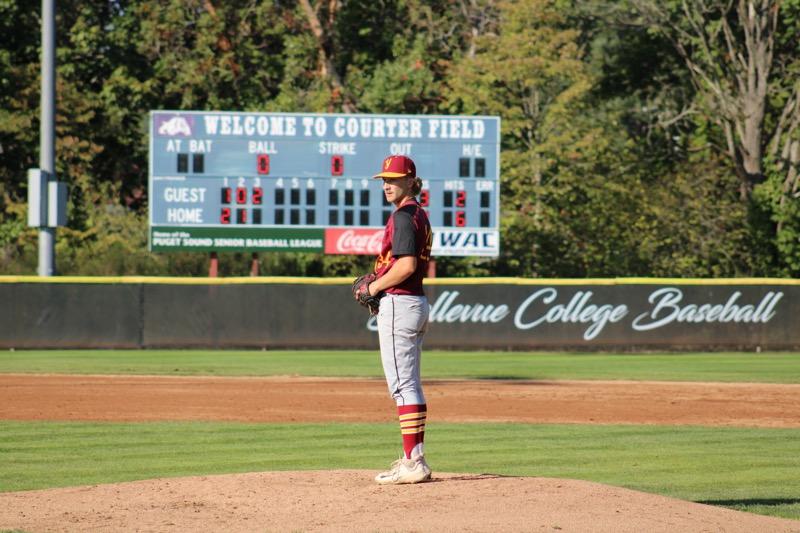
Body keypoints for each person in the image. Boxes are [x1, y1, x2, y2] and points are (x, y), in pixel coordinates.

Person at [366, 154, 433, 485]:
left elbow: (405, 266)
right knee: (412, 384)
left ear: (410, 181)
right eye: (384, 180)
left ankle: (413, 463)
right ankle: (413, 458)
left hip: (401, 304)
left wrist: (375, 286)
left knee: (403, 386)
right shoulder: (420, 216)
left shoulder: (405, 217)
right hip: (415, 303)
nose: (387, 185)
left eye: (393, 179)